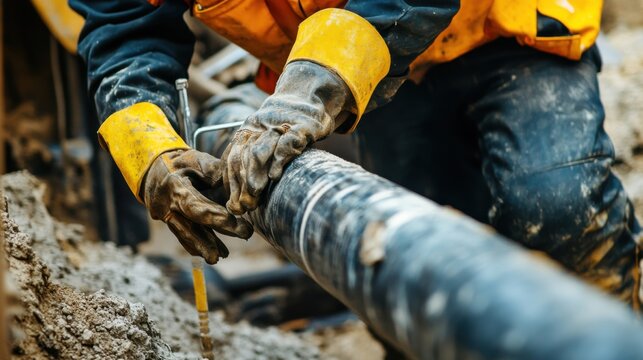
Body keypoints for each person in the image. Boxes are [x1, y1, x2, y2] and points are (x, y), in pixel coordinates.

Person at [70, 0, 641, 308]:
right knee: (422, 257)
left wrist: (310, 92)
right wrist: (150, 154)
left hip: (505, 27)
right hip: (384, 72)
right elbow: (123, 28)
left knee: (557, 203)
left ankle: (612, 327)